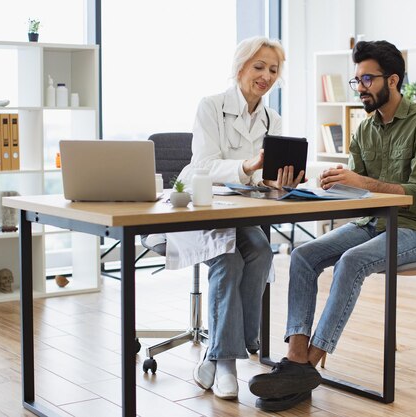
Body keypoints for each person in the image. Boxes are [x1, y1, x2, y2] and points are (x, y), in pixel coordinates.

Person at [248, 40, 416, 412]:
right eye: (356, 80)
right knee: (303, 255)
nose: (360, 88)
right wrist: (334, 183)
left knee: (352, 261)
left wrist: (361, 182)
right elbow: (358, 192)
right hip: (373, 222)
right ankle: (295, 356)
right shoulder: (365, 129)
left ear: (393, 80)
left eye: (367, 79)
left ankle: (307, 366)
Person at [166, 36, 304, 401]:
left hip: (243, 212)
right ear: (239, 66)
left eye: (273, 69)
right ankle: (227, 361)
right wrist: (246, 166)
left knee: (260, 251)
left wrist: (278, 179)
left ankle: (218, 353)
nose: (266, 76)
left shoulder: (273, 118)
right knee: (228, 261)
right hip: (202, 207)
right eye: (259, 67)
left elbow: (263, 178)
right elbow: (205, 166)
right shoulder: (211, 107)